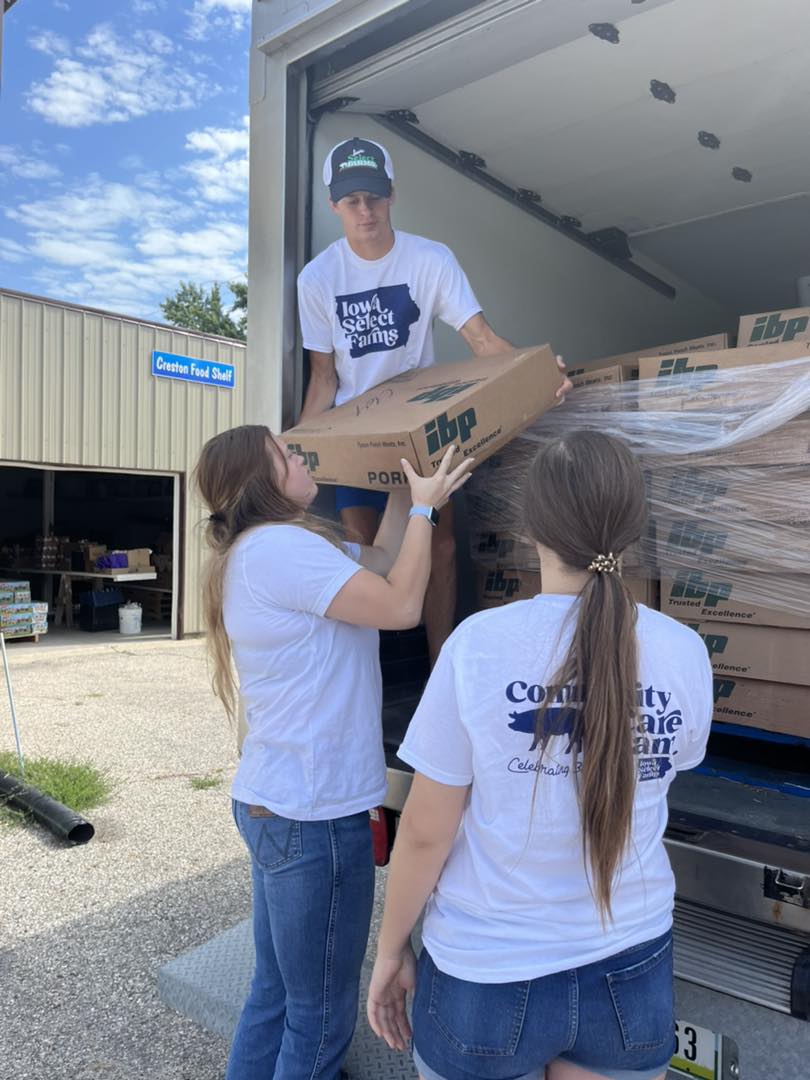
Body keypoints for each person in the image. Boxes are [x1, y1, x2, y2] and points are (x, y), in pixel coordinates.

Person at [366, 430, 714, 1080]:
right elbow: (673, 765)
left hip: (487, 972)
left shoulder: (480, 645)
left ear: (531, 528)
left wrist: (390, 951)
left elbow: (424, 833)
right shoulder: (685, 651)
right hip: (630, 966)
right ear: (634, 527)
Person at [194, 424, 474, 1080]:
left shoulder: (278, 548)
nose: (299, 456)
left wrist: (407, 488)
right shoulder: (283, 550)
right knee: (319, 1016)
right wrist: (432, 508)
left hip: (277, 805)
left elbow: (381, 557)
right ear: (265, 482)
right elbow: (404, 603)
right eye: (284, 454)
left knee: (275, 994)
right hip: (313, 819)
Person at [297, 135, 564, 663]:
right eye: (351, 200)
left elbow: (483, 341)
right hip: (357, 437)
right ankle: (366, 677)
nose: (365, 210)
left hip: (420, 434)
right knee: (362, 553)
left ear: (392, 194)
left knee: (439, 548)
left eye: (374, 196)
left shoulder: (429, 260)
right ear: (334, 205)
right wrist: (300, 451)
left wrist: (536, 376)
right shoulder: (318, 279)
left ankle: (439, 669)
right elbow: (323, 378)